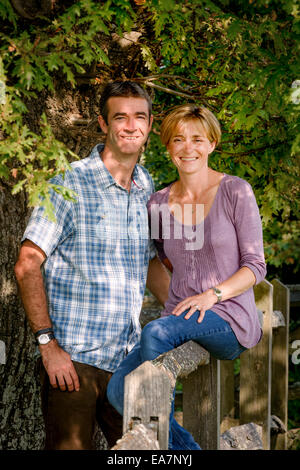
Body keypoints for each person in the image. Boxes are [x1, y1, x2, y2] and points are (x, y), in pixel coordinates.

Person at [14, 81, 170, 450]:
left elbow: (148, 262)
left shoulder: (146, 186)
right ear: (103, 123)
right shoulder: (69, 183)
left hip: (129, 363)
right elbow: (27, 264)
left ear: (149, 124)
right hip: (74, 364)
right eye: (120, 117)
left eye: (139, 117)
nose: (131, 126)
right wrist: (48, 346)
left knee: (145, 454)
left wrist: (185, 310)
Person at [107, 104, 267, 450]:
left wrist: (213, 294)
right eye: (178, 139)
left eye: (197, 139)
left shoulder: (236, 192)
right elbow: (160, 258)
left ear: (211, 143)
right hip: (183, 316)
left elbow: (255, 266)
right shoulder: (158, 204)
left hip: (229, 318)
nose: (187, 147)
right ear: (168, 147)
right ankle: (187, 450)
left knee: (157, 331)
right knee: (117, 390)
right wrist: (179, 299)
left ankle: (162, 448)